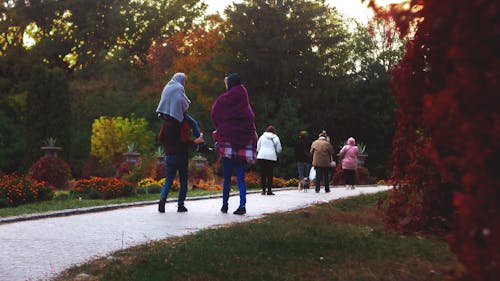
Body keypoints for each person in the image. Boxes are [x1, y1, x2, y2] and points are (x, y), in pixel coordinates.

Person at [211, 73, 257, 215]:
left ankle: (225, 205)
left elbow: (214, 113)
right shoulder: (245, 102)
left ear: (230, 84)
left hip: (228, 145)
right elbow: (251, 121)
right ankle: (242, 206)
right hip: (243, 146)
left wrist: (221, 129)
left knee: (226, 178)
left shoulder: (223, 100)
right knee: (240, 178)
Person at [157, 74, 204, 213]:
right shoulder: (181, 124)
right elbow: (184, 140)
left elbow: (160, 138)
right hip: (181, 155)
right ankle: (180, 205)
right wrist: (195, 141)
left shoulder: (166, 124)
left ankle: (162, 202)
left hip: (169, 155)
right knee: (183, 181)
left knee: (168, 180)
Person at [156, 72, 210, 153]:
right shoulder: (179, 87)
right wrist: (186, 105)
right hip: (174, 115)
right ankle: (201, 143)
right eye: (184, 81)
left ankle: (200, 143)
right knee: (193, 123)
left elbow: (167, 100)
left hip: (165, 114)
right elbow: (182, 101)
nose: (184, 83)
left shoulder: (167, 86)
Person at [256, 125, 282, 195]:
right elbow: (279, 149)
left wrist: (261, 152)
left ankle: (263, 190)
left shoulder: (262, 136)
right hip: (271, 157)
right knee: (270, 174)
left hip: (261, 156)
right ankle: (269, 191)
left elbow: (258, 147)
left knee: (263, 174)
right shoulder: (276, 138)